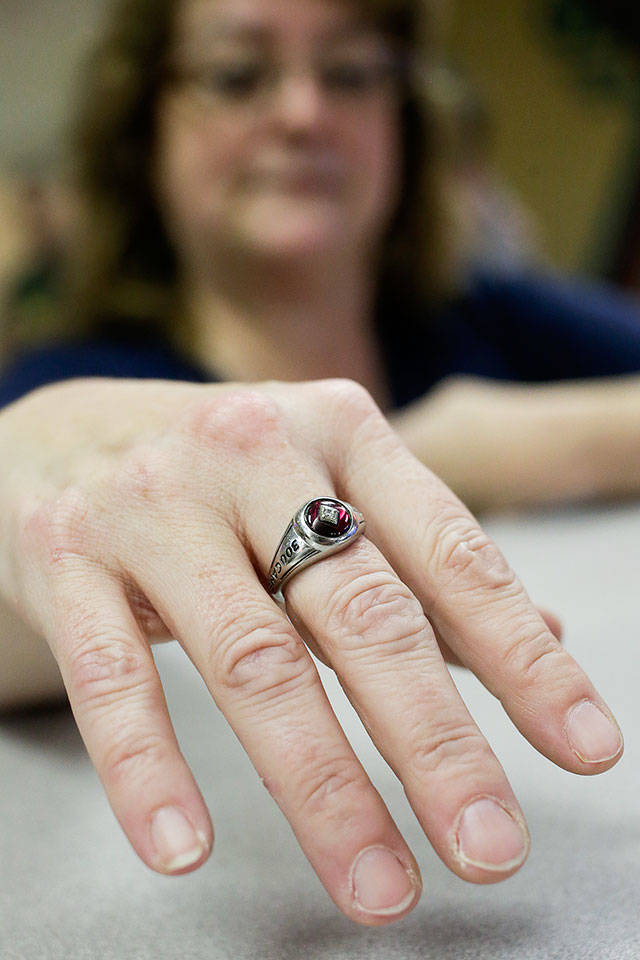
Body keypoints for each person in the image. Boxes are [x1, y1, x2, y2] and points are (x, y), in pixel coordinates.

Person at [0, 0, 627, 929]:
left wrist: (492, 439)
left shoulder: (487, 318)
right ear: (145, 136)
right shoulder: (81, 385)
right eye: (237, 75)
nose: (302, 113)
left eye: (350, 73)